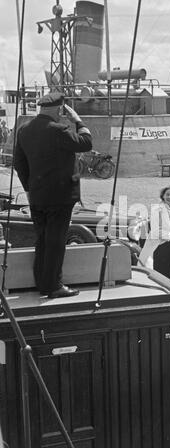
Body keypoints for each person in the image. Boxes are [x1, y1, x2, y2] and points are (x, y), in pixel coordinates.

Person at [14, 92, 92, 298]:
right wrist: (78, 120)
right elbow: (86, 142)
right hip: (60, 197)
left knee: (42, 240)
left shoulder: (24, 130)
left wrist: (29, 190)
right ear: (60, 109)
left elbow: (19, 164)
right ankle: (53, 286)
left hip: (37, 197)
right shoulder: (58, 130)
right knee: (56, 241)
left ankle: (42, 282)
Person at [139, 186, 170, 282]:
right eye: (167, 194)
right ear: (163, 196)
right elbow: (156, 231)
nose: (169, 197)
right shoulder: (157, 209)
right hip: (159, 245)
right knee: (160, 272)